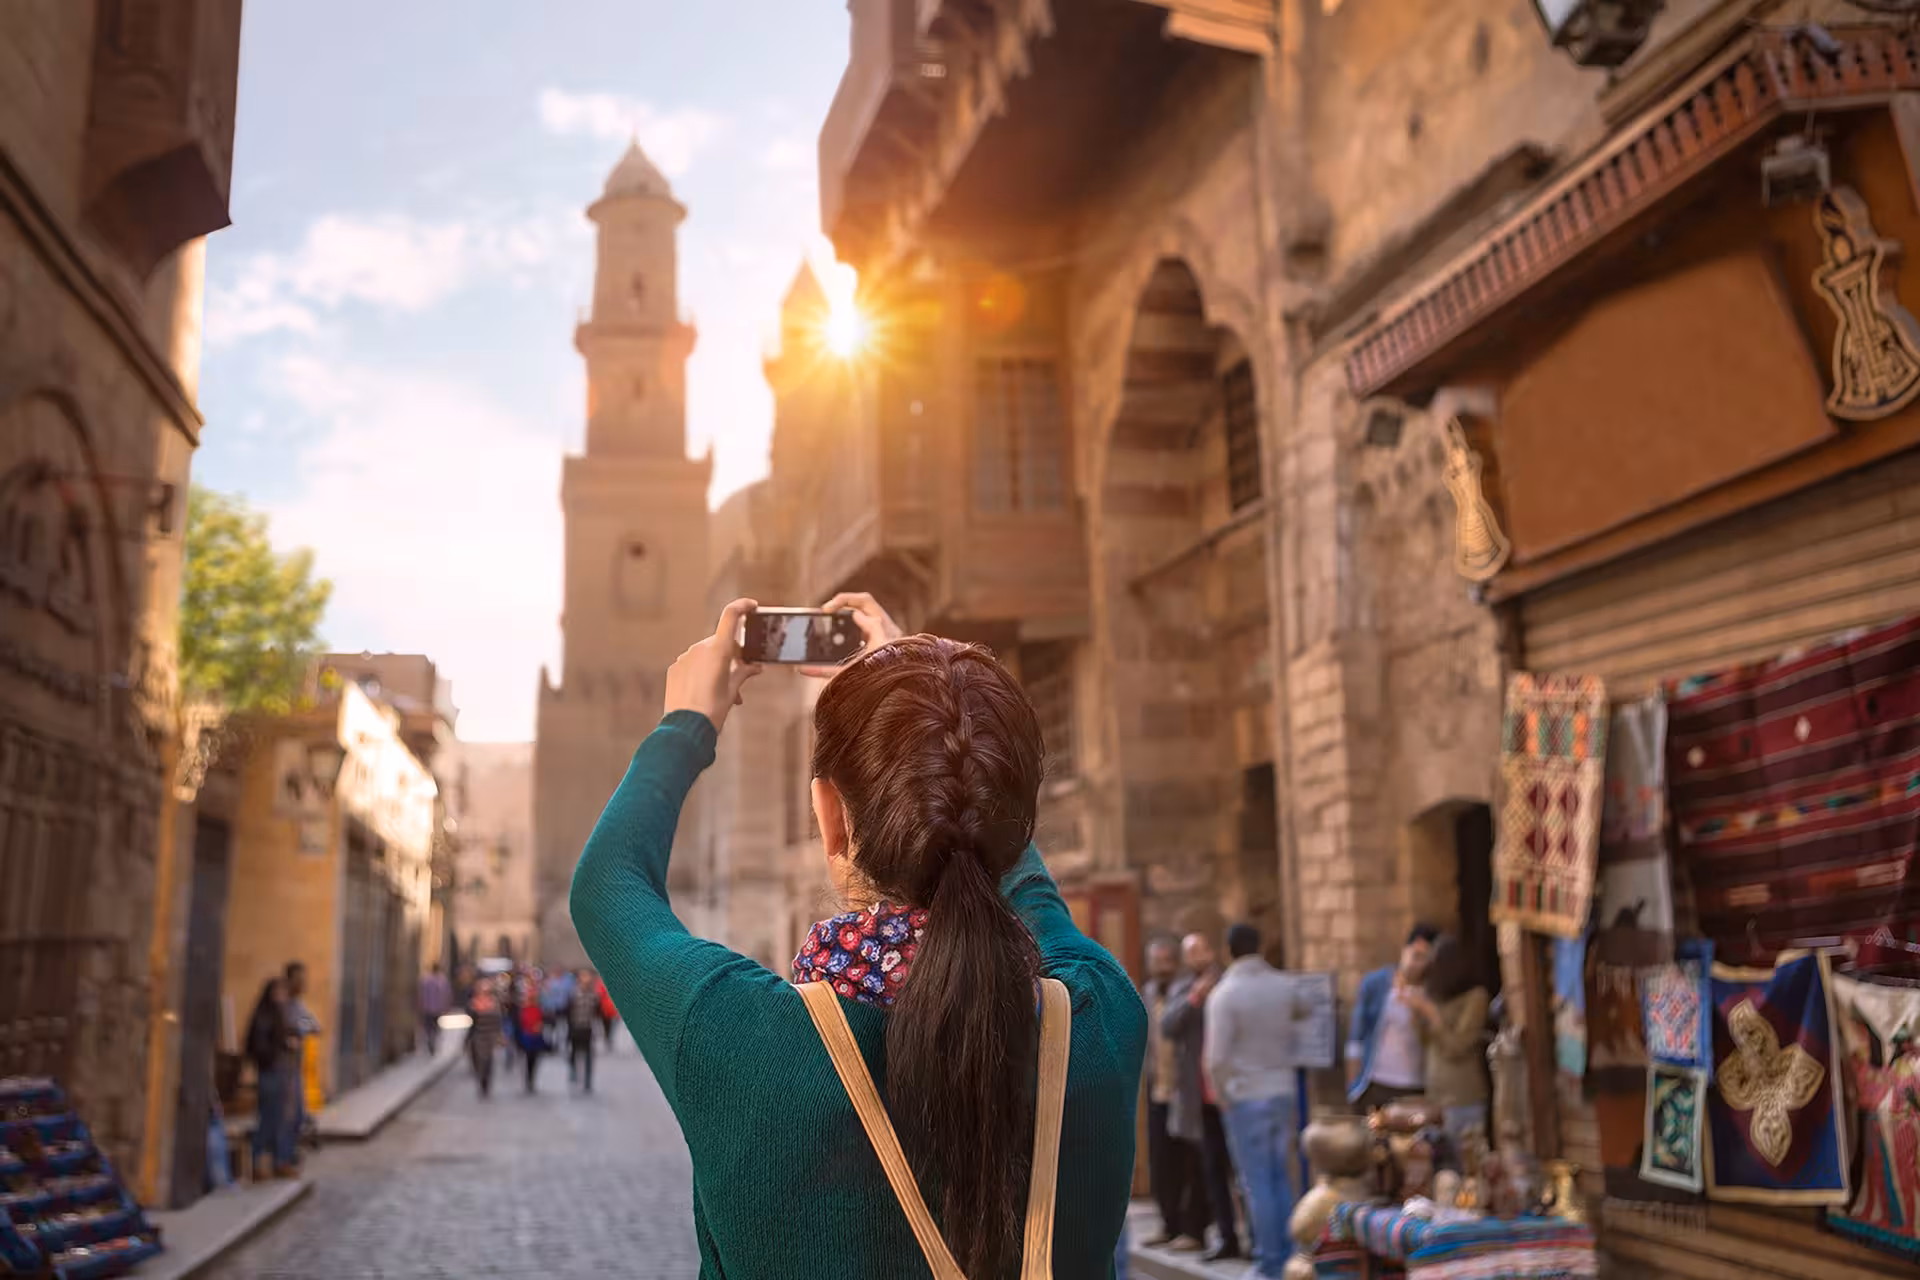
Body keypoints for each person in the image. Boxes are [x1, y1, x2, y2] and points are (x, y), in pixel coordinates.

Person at [570, 593, 1146, 1277]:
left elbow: (606, 885)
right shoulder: (1099, 1017)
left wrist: (688, 721)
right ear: (1015, 816)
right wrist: (930, 709)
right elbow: (1030, 889)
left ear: (829, 814)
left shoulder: (737, 1036)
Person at [1204, 923, 1300, 1278]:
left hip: (1246, 1095)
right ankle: (1289, 1254)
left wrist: (1224, 1094)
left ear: (1229, 951)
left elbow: (1216, 1059)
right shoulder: (1285, 986)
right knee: (1280, 1177)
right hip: (1282, 1089)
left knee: (1256, 1182)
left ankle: (1269, 1262)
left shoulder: (1225, 994)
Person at [1160, 932, 1241, 1263]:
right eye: (1190, 953)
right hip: (1200, 1096)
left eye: (1201, 950)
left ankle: (1252, 1236)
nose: (1197, 957)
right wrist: (1195, 998)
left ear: (1213, 951)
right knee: (1211, 1170)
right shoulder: (1183, 988)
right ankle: (1225, 1236)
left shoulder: (1230, 983)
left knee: (1240, 1171)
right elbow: (1167, 1026)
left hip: (1233, 1092)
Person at [1140, 936, 1203, 1251]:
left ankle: (1192, 1229)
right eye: (1156, 961)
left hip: (1184, 1088)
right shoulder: (1148, 992)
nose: (1161, 967)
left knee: (1189, 1161)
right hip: (1157, 1088)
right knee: (1162, 1161)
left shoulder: (1188, 989)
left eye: (1166, 961)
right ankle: (1168, 1224)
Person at [1402, 934, 1493, 1130]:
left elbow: (1457, 1046)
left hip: (1462, 1098)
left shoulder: (1475, 997)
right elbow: (1426, 1042)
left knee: (1462, 1158)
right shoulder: (1435, 994)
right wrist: (1417, 1015)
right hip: (1435, 1098)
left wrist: (1432, 1015)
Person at [1346, 924, 1439, 1109]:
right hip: (1378, 1081)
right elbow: (1356, 1038)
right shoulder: (1376, 984)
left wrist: (1419, 1009)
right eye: (1415, 955)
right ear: (1405, 950)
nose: (1417, 964)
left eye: (1425, 959)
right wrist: (1352, 1084)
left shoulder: (1432, 992)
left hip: (1416, 1084)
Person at [243, 977, 298, 1179]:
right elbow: (258, 1046)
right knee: (269, 1119)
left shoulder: (278, 1015)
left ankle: (277, 1162)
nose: (283, 997)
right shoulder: (264, 1017)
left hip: (278, 1073)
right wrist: (277, 1052)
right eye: (280, 992)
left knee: (279, 1119)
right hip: (270, 1074)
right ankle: (258, 1161)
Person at [283, 961, 319, 1165]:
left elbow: (313, 1024)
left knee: (296, 1114)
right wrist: (300, 1030)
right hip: (283, 1068)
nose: (303, 983)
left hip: (295, 1067)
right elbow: (291, 1028)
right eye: (300, 979)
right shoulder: (285, 1004)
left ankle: (288, 1155)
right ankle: (282, 1157)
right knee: (287, 1115)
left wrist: (302, 1029)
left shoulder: (298, 1005)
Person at [467, 983, 503, 1099]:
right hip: (480, 1035)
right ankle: (483, 1081)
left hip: (487, 1036)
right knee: (482, 1060)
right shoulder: (474, 1004)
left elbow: (498, 1022)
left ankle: (485, 1081)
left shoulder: (492, 1004)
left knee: (486, 1060)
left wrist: (499, 1035)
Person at [567, 969, 600, 1092]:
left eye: (588, 977)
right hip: (575, 1028)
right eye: (583, 977)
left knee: (588, 1056)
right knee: (574, 1052)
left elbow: (597, 1012)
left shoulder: (593, 995)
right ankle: (573, 1072)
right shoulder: (573, 994)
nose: (585, 980)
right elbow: (568, 1012)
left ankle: (587, 1081)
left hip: (587, 1029)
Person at [419, 963, 452, 1057]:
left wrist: (421, 1006)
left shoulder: (426, 980)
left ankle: (431, 1041)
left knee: (429, 1027)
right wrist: (446, 1007)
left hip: (427, 1009)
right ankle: (433, 1042)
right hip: (438, 1009)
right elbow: (447, 995)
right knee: (435, 1028)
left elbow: (421, 995)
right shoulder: (442, 980)